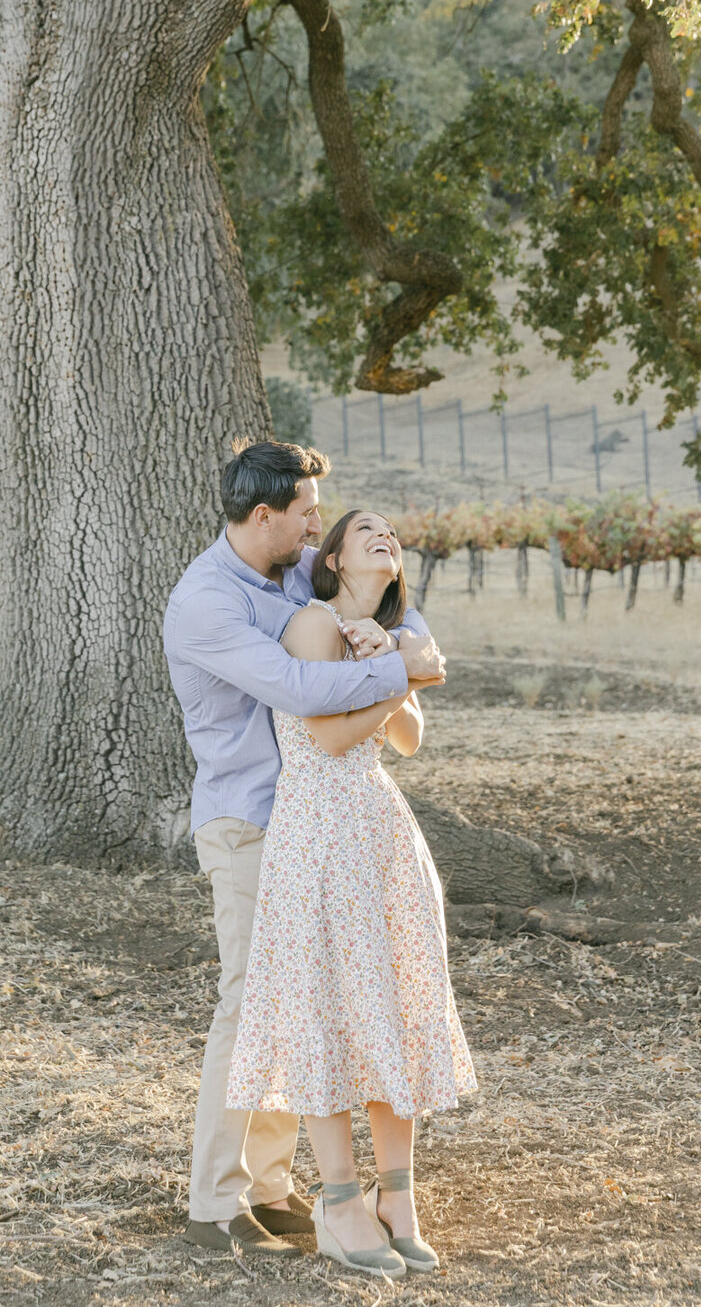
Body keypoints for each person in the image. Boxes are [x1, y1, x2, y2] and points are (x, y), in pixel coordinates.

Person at [163, 442, 446, 1257]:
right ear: (264, 518)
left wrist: (404, 640)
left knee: (303, 1002)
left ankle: (274, 1187)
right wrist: (403, 669)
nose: (319, 526)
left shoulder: (292, 572)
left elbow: (383, 600)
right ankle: (215, 1204)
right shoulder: (206, 602)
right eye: (307, 514)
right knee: (253, 1000)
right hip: (250, 818)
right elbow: (300, 692)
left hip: (315, 823)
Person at [225, 507, 475, 1277]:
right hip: (318, 831)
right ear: (332, 558)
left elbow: (407, 740)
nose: (384, 537)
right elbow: (329, 737)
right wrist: (403, 672)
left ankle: (396, 1196)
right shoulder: (311, 626)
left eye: (392, 536)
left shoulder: (387, 633)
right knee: (328, 1014)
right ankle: (339, 1205)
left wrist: (397, 658)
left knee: (394, 1004)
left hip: (377, 827)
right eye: (364, 530)